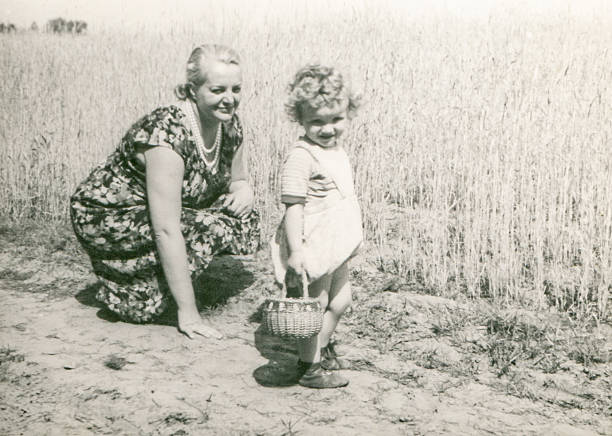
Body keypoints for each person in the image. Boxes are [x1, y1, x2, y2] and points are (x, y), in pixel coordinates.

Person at [70, 44, 260, 339]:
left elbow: (238, 179)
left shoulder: (230, 125)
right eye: (218, 90)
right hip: (108, 215)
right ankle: (142, 299)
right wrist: (190, 314)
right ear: (192, 90)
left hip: (157, 210)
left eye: (236, 89)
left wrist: (245, 189)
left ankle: (158, 284)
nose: (229, 99)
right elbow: (166, 229)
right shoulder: (167, 134)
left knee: (245, 216)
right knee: (199, 229)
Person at [270, 65, 363, 388]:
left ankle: (320, 349)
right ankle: (309, 367)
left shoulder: (336, 151)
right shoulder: (301, 156)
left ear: (348, 114)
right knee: (315, 305)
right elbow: (293, 206)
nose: (327, 129)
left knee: (341, 301)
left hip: (334, 244)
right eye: (316, 122)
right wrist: (296, 252)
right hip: (311, 243)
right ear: (301, 119)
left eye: (335, 119)